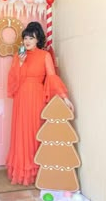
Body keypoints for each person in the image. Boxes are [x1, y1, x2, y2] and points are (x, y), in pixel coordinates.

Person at [6, 21, 74, 186]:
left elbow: (51, 77)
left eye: (31, 37)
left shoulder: (45, 56)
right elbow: (13, 80)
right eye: (25, 38)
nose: (27, 41)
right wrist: (20, 63)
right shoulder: (18, 56)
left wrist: (64, 97)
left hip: (37, 98)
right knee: (22, 132)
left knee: (36, 131)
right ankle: (22, 171)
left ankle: (38, 171)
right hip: (21, 99)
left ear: (38, 39)